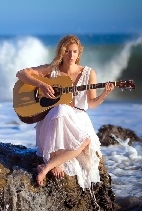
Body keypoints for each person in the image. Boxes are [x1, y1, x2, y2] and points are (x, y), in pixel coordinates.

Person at [16, 35, 114, 190]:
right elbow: (21, 74)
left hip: (78, 118)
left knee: (85, 141)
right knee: (61, 108)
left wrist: (104, 95)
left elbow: (92, 104)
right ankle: (53, 160)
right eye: (67, 51)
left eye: (74, 51)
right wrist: (41, 84)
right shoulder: (52, 70)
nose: (71, 55)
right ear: (61, 52)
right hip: (54, 118)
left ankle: (47, 167)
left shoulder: (89, 73)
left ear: (79, 52)